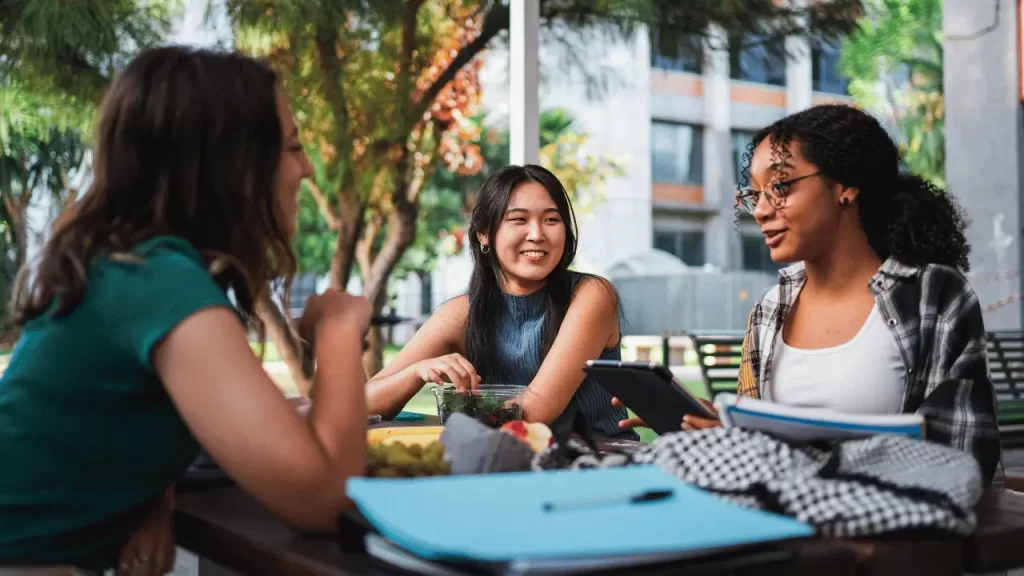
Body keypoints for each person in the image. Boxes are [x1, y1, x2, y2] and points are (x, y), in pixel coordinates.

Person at [0, 46, 371, 573]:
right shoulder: (156, 281)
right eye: (292, 147)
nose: (307, 168)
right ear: (233, 166)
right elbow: (322, 501)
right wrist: (338, 330)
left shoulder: (133, 266)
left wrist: (154, 491)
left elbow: (117, 420)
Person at [617, 104, 1001, 483]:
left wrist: (785, 451)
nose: (761, 210)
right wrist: (716, 426)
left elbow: (961, 459)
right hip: (784, 525)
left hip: (893, 531)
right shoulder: (770, 310)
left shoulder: (933, 296)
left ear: (846, 185)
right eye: (755, 194)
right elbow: (759, 458)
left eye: (780, 186)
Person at [366, 164, 636, 440]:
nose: (537, 234)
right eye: (519, 220)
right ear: (483, 233)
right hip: (504, 465)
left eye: (552, 220)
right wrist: (415, 372)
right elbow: (363, 403)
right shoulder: (462, 313)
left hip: (598, 465)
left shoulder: (591, 294)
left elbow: (534, 412)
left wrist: (459, 412)